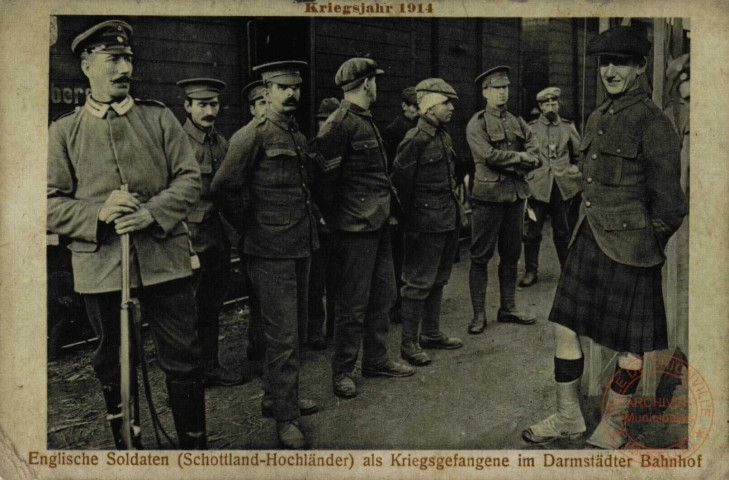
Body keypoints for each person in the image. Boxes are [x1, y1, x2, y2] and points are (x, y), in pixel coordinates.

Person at [522, 26, 687, 449]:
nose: (610, 71)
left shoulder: (653, 122)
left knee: (631, 348)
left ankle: (614, 425)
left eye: (621, 63)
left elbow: (670, 204)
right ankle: (568, 416)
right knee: (563, 325)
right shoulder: (597, 117)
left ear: (640, 67)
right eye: (604, 63)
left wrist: (646, 244)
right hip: (590, 238)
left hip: (632, 250)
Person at [47, 20, 207, 449]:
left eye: (128, 58)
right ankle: (128, 454)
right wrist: (98, 212)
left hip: (164, 262)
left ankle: (194, 454)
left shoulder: (158, 118)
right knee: (113, 366)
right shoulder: (65, 131)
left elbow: (190, 180)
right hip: (101, 268)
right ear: (86, 65)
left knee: (184, 359)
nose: (124, 68)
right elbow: (48, 203)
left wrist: (151, 214)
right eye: (113, 58)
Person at [211, 60, 318, 449]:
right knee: (283, 336)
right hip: (269, 250)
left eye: (296, 88)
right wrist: (250, 226)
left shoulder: (294, 133)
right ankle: (285, 419)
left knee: (297, 329)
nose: (291, 95)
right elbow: (223, 187)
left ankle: (277, 397)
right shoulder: (251, 135)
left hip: (299, 246)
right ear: (266, 91)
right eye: (281, 87)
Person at [314, 57, 415, 399]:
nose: (378, 87)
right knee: (352, 304)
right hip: (355, 229)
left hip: (379, 223)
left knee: (384, 295)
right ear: (368, 83)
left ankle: (376, 359)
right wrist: (341, 218)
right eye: (376, 81)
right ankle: (342, 370)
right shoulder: (339, 123)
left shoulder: (363, 119)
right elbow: (323, 182)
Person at [391, 78, 464, 366]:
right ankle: (409, 343)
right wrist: (412, 223)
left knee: (439, 279)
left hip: (446, 218)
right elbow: (400, 186)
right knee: (417, 283)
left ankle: (431, 333)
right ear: (431, 107)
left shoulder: (443, 135)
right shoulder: (414, 139)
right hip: (424, 223)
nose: (451, 108)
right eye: (446, 103)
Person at [176, 77, 243, 387]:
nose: (209, 111)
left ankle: (211, 366)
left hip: (217, 237)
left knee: (212, 305)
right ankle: (189, 373)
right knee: (186, 309)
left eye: (213, 104)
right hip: (189, 239)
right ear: (188, 107)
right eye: (202, 105)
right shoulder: (177, 143)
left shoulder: (221, 142)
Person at [465, 65, 540, 335]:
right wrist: (520, 159)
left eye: (505, 88)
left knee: (511, 255)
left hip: (515, 196)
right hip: (488, 199)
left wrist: (524, 160)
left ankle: (507, 307)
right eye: (496, 88)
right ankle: (478, 315)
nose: (502, 93)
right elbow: (488, 156)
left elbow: (534, 149)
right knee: (480, 256)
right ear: (485, 92)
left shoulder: (517, 121)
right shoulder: (477, 123)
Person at [520, 87, 582, 287]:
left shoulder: (567, 127)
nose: (550, 107)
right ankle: (531, 271)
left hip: (562, 188)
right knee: (532, 232)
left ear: (558, 104)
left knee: (563, 231)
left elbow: (579, 154)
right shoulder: (531, 128)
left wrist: (574, 169)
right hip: (538, 187)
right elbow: (524, 155)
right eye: (546, 104)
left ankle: (567, 271)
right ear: (540, 107)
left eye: (553, 103)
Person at [381, 86, 419, 325]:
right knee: (399, 258)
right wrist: (393, 212)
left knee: (413, 255)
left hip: (415, 203)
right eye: (413, 106)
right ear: (404, 106)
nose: (417, 110)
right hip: (401, 205)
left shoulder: (420, 129)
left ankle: (411, 303)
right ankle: (397, 307)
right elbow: (390, 175)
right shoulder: (393, 131)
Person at [307, 97, 341, 349]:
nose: (324, 125)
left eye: (328, 120)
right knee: (316, 282)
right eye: (321, 120)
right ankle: (315, 330)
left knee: (337, 280)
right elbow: (306, 189)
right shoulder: (311, 149)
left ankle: (335, 327)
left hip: (339, 222)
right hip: (318, 223)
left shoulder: (343, 147)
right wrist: (317, 214)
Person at [239, 79, 268, 364]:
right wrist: (244, 220)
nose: (266, 108)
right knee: (258, 297)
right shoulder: (248, 136)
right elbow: (226, 186)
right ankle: (259, 351)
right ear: (252, 108)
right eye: (261, 103)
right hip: (253, 230)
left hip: (270, 231)